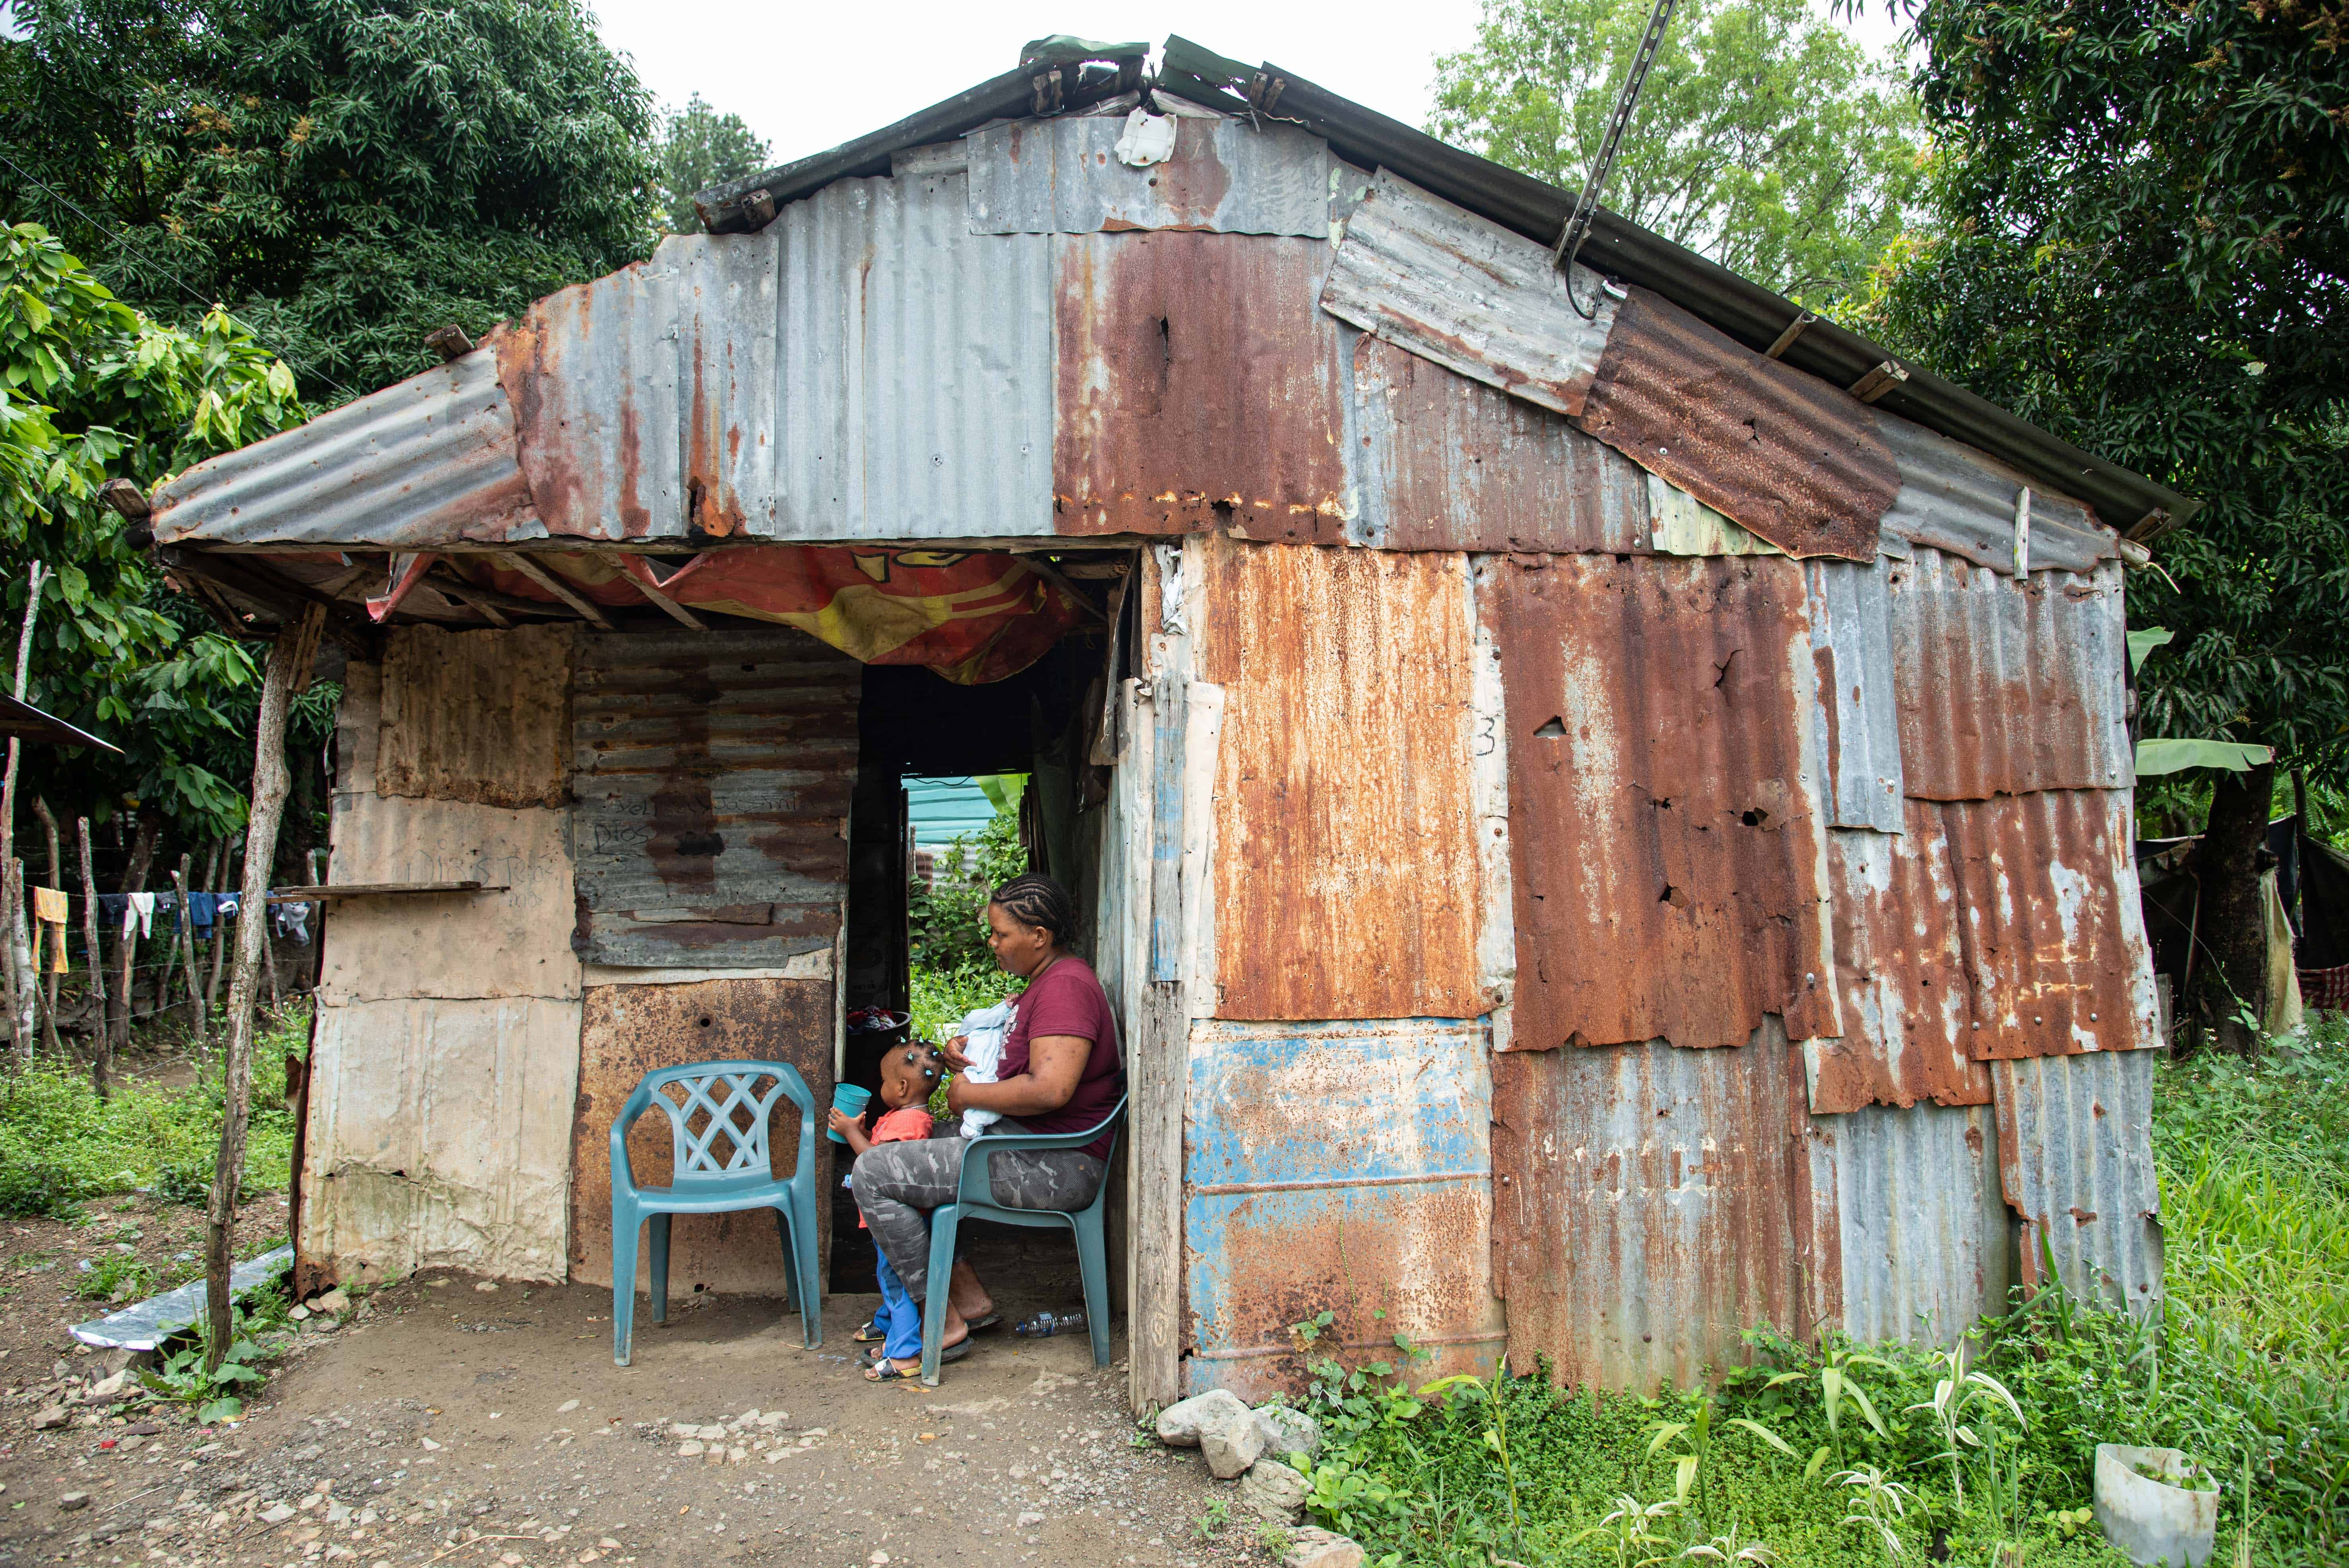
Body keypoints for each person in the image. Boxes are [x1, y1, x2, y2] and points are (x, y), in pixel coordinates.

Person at [849, 872, 1122, 1379]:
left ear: (1038, 936)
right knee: (910, 1141)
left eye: (1001, 933)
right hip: (1026, 1146)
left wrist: (968, 1095)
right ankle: (968, 1298)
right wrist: (967, 1053)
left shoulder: (1065, 988)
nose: (992, 943)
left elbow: (1050, 1089)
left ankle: (939, 1319)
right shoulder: (1049, 982)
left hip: (1055, 1164)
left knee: (872, 1173)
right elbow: (1019, 1057)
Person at [829, 1045, 943, 1382]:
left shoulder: (908, 1122)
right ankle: (887, 1326)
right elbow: (883, 1150)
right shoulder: (905, 1116)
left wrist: (851, 1133)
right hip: (896, 1217)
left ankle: (905, 1353)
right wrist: (863, 1132)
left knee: (897, 1281)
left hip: (897, 1220)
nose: (881, 1085)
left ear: (902, 1087)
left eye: (883, 1080)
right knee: (891, 1276)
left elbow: (878, 1164)